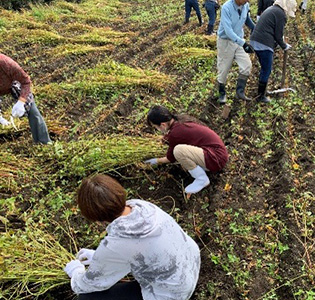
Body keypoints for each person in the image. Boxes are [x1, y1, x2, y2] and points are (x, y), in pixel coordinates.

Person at [64, 174, 201, 300]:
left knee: (87, 297)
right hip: (189, 266)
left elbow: (86, 285)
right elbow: (140, 249)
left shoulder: (118, 243)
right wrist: (99, 258)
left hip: (173, 292)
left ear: (97, 219)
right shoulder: (142, 206)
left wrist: (76, 271)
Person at [145, 106, 228, 194]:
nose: (157, 130)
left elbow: (170, 158)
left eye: (156, 127)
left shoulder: (175, 134)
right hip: (218, 152)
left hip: (216, 159)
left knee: (178, 151)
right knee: (182, 155)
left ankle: (201, 179)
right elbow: (175, 136)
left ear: (163, 125)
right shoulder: (180, 120)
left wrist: (157, 161)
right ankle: (200, 169)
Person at [250, 0, 297, 103]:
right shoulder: (280, 14)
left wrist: (279, 43)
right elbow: (278, 35)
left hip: (255, 40)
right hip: (263, 43)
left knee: (264, 68)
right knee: (266, 69)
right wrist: (284, 46)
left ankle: (262, 90)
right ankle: (261, 96)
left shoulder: (272, 9)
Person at [0, 53, 51, 144]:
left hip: (13, 83)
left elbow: (26, 82)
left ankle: (44, 142)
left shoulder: (6, 64)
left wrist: (21, 101)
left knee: (33, 111)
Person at [216, 0, 256, 104]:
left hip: (239, 40)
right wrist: (243, 44)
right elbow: (228, 31)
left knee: (246, 65)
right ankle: (222, 92)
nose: (247, 0)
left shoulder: (245, 5)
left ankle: (240, 91)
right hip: (226, 42)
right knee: (224, 69)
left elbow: (246, 19)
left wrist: (255, 28)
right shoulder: (226, 8)